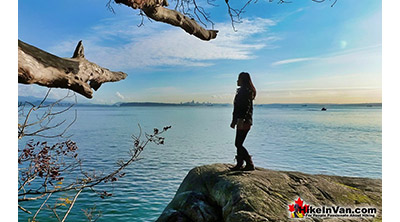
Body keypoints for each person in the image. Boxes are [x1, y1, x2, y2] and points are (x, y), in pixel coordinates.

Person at [230, 72, 256, 171]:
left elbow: (245, 107)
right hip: (242, 120)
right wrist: (234, 121)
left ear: (243, 80)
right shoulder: (243, 91)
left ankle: (249, 163)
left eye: (239, 79)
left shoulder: (245, 91)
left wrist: (241, 119)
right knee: (238, 143)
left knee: (238, 143)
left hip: (244, 121)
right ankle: (240, 163)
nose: (237, 81)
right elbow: (237, 108)